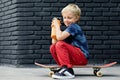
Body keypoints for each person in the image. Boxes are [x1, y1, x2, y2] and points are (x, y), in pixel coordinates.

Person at [50, 4, 89, 79]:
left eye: (69, 18)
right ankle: (64, 67)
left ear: (76, 18)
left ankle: (68, 71)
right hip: (74, 57)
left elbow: (60, 38)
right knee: (53, 47)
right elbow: (54, 43)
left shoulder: (74, 27)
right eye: (64, 17)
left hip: (81, 57)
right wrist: (54, 28)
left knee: (60, 44)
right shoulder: (67, 30)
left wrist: (58, 26)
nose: (66, 20)